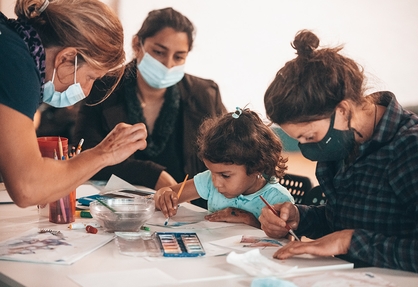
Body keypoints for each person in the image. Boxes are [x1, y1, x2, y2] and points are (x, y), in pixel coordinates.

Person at [260, 30, 418, 276]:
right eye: (298, 140)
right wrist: (299, 217)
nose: (307, 148)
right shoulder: (343, 141)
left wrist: (351, 241)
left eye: (310, 137)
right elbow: (344, 221)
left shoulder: (416, 147)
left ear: (342, 110)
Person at [73, 7, 226, 208]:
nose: (168, 65)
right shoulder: (103, 88)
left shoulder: (204, 94)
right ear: (137, 45)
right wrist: (151, 174)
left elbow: (229, 159)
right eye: (159, 52)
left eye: (178, 57)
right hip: (123, 211)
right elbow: (84, 157)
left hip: (192, 213)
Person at [0, 0, 147, 207]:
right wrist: (104, 153)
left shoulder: (10, 40)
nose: (87, 91)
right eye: (91, 77)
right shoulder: (18, 64)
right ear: (67, 58)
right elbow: (28, 187)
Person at [154, 108, 294, 228]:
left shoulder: (278, 199)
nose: (216, 183)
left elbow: (287, 241)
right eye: (212, 172)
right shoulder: (210, 180)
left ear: (256, 166)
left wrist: (251, 221)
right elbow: (168, 192)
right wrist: (164, 195)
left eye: (225, 175)